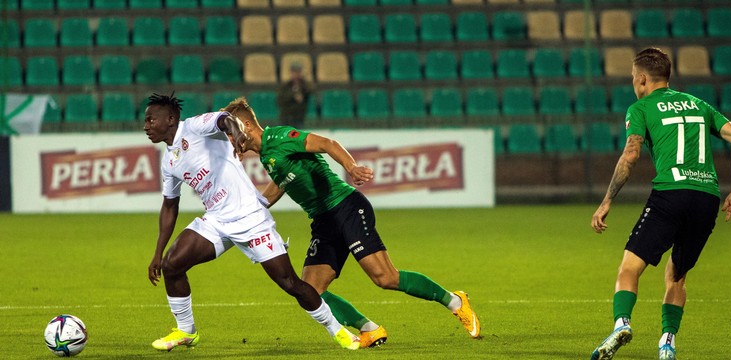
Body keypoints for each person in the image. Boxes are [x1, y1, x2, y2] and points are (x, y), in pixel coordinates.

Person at [221, 97, 481, 348]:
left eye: (231, 133)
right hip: (323, 220)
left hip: (346, 207)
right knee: (310, 290)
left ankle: (455, 301)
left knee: (385, 277)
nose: (230, 140)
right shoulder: (267, 155)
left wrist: (351, 167)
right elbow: (282, 181)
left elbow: (327, 143)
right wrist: (256, 208)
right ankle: (369, 329)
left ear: (245, 127)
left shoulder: (279, 137)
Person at [142, 92, 361, 352]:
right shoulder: (169, 161)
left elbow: (225, 120)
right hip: (217, 220)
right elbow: (169, 206)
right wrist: (157, 252)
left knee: (290, 283)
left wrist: (238, 133)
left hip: (251, 218)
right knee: (172, 264)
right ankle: (186, 331)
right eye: (145, 122)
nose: (146, 126)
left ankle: (338, 330)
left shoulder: (195, 127)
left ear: (170, 119)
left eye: (150, 120)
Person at [589, 48, 731, 360]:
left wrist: (607, 200)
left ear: (643, 79)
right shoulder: (698, 104)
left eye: (634, 79)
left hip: (671, 194)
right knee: (677, 275)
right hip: (706, 197)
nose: (634, 84)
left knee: (629, 268)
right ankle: (667, 344)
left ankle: (622, 324)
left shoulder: (640, 107)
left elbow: (631, 155)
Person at [276, 62, 312, 129]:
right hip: (286, 117)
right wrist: (293, 96)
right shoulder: (285, 86)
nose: (296, 75)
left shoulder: (304, 86)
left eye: (298, 72)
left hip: (299, 117)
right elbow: (280, 101)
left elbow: (311, 91)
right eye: (294, 72)